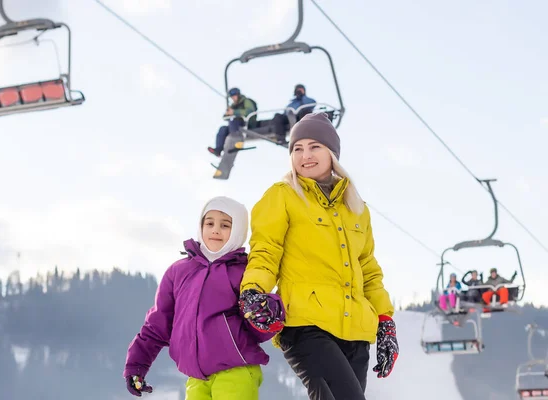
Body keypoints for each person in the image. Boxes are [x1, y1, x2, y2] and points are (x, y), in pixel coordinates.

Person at [237, 112, 399, 400]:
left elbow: (369, 269)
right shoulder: (282, 196)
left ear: (332, 153)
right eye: (297, 148)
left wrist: (385, 321)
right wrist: (253, 289)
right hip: (305, 325)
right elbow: (266, 249)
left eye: (314, 147)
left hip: (355, 333)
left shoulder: (357, 208)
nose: (305, 155)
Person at [123, 196, 285, 399]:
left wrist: (267, 313)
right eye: (209, 223)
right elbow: (157, 325)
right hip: (196, 377)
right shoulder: (178, 271)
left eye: (225, 225)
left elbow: (260, 329)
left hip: (236, 370)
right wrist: (136, 365)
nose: (215, 230)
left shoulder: (244, 272)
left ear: (238, 231)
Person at [207, 88, 257, 157]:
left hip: (246, 124)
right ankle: (218, 150)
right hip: (235, 126)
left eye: (234, 96)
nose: (233, 98)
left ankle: (236, 140)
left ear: (238, 95)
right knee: (223, 129)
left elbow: (250, 111)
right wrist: (227, 114)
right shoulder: (233, 105)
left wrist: (235, 112)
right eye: (232, 97)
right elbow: (225, 117)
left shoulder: (246, 101)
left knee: (234, 121)